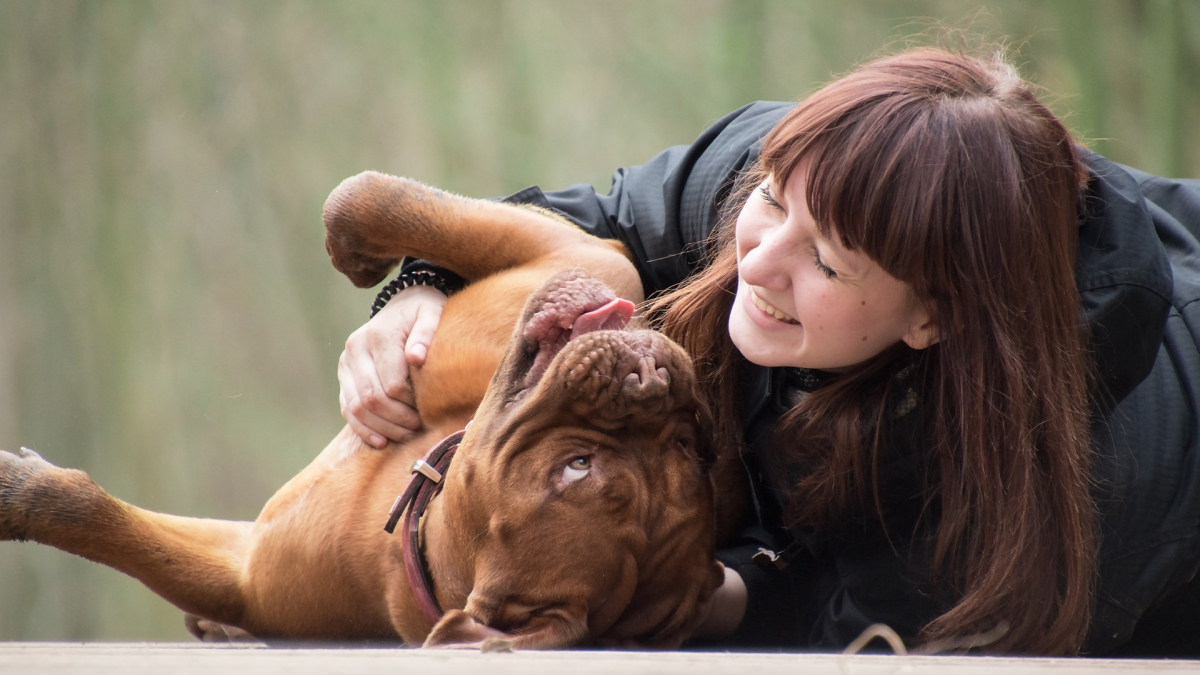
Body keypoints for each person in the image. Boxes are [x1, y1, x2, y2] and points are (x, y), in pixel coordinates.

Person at [336, 47, 1200, 656]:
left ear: (935, 318)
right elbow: (604, 221)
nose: (758, 256)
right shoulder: (799, 171)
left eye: (824, 260)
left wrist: (706, 592)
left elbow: (841, 617)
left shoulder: (1029, 513)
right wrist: (421, 285)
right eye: (773, 199)